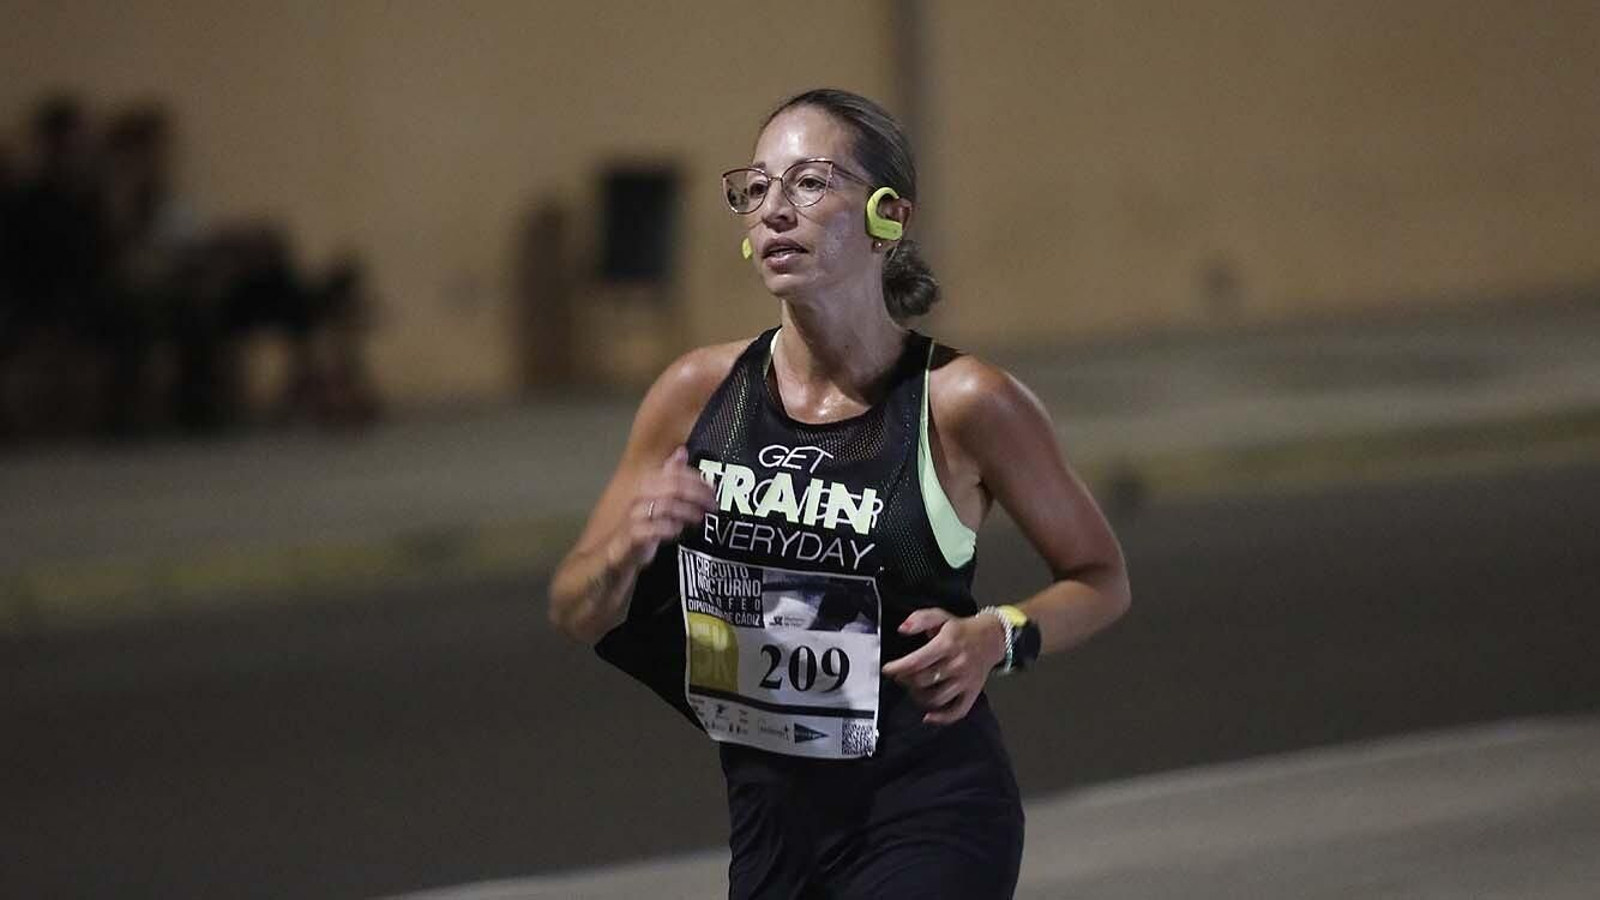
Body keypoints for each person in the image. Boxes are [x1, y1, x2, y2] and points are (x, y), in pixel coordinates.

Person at [548, 88, 1131, 899]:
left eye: (810, 183)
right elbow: (577, 609)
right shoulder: (696, 392)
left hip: (931, 811)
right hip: (771, 823)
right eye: (756, 189)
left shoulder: (963, 402)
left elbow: (1101, 577)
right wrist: (624, 553)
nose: (774, 210)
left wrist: (995, 635)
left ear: (890, 216)